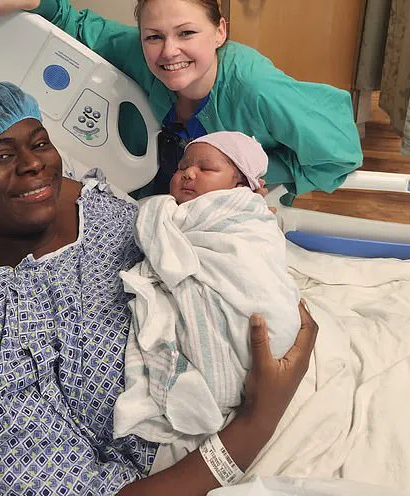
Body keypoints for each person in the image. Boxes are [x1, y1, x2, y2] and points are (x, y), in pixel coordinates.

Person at [0, 81, 317, 496]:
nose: (34, 164)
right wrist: (258, 421)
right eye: (0, 156)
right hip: (229, 440)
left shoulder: (81, 195)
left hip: (290, 348)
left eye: (40, 143)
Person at [0, 0, 363, 200]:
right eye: (154, 36)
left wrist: (248, 174)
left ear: (220, 31)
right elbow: (77, 24)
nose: (169, 51)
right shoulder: (140, 53)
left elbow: (338, 155)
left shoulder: (254, 89)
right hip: (155, 194)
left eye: (187, 33)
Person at [114, 131, 301, 448]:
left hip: (262, 306)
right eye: (182, 167)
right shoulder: (180, 210)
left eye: (206, 168)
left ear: (240, 184)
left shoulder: (242, 210)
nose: (188, 173)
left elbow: (254, 259)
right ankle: (217, 377)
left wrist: (158, 212)